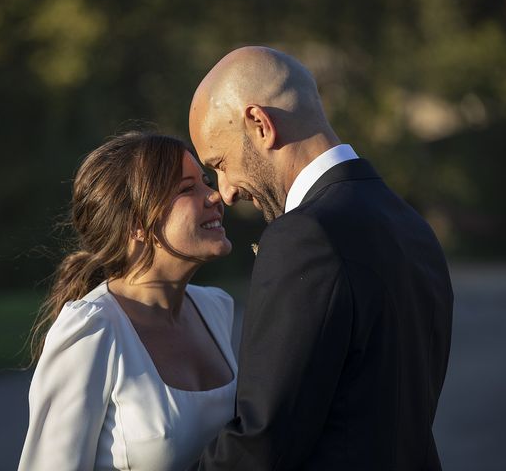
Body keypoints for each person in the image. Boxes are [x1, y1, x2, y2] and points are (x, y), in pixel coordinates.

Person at [187, 47, 453, 470]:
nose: (227, 190)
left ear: (259, 124)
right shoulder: (410, 225)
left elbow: (262, 439)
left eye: (220, 163)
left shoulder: (303, 237)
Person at [18, 131, 237, 471]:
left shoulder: (216, 308)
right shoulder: (91, 330)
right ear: (137, 223)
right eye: (187, 188)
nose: (215, 196)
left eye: (206, 181)